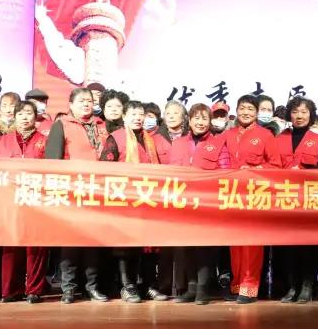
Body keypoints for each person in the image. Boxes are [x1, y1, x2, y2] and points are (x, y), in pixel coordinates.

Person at [45, 87, 109, 304]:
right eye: (81, 101)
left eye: (89, 100)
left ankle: (92, 287)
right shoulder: (61, 125)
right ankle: (69, 288)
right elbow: (52, 161)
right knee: (70, 242)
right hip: (72, 191)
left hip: (97, 191)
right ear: (71, 105)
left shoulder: (101, 125)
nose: (86, 104)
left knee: (93, 242)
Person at [100, 100, 167, 302]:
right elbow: (104, 168)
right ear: (124, 117)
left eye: (141, 114)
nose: (138, 118)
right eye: (133, 114)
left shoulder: (150, 139)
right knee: (125, 245)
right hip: (123, 200)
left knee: (148, 246)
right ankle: (127, 286)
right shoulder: (116, 138)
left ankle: (148, 285)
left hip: (146, 200)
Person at [167, 103, 230, 305]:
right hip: (182, 204)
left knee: (204, 248)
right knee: (186, 247)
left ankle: (203, 290)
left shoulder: (219, 143)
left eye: (204, 118)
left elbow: (225, 172)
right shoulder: (177, 143)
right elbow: (169, 173)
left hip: (206, 205)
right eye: (196, 118)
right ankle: (191, 288)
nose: (200, 122)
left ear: (210, 121)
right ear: (190, 120)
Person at [223, 95, 281, 304]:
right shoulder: (228, 134)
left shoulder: (265, 135)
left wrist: (255, 170)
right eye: (242, 108)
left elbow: (275, 165)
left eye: (250, 109)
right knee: (235, 243)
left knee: (252, 244)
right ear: (236, 111)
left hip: (255, 196)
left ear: (256, 113)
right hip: (232, 195)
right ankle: (236, 285)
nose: (245, 112)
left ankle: (249, 287)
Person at [275, 97, 318, 303]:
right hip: (285, 199)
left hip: (310, 200)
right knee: (288, 247)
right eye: (295, 112)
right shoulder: (279, 138)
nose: (299, 116)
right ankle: (292, 286)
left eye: (304, 112)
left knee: (309, 246)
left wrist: (304, 171)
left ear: (311, 115)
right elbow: (271, 165)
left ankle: (307, 286)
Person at [0, 100, 49, 303]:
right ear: (14, 116)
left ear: (35, 117)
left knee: (36, 245)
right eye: (21, 114)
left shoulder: (44, 140)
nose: (25, 117)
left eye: (29, 113)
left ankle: (34, 289)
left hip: (37, 199)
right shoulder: (2, 140)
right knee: (11, 244)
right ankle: (11, 290)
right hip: (10, 199)